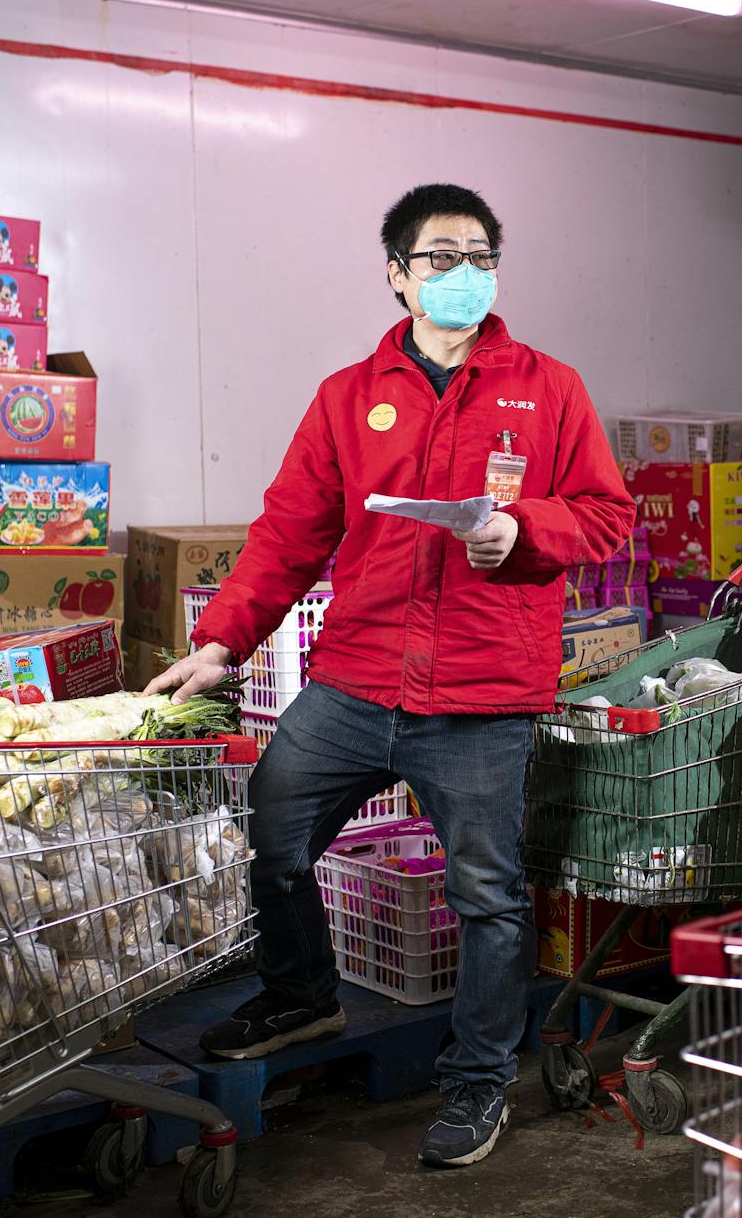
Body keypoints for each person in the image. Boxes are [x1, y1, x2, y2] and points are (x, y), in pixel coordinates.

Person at [147, 184, 636, 1169]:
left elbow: (603, 513)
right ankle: (300, 996)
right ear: (396, 273)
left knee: (487, 895)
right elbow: (289, 531)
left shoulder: (547, 387)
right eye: (440, 257)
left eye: (479, 256)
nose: (463, 274)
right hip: (357, 676)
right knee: (275, 832)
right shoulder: (346, 393)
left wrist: (522, 528)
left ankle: (477, 1081)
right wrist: (220, 641)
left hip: (483, 688)